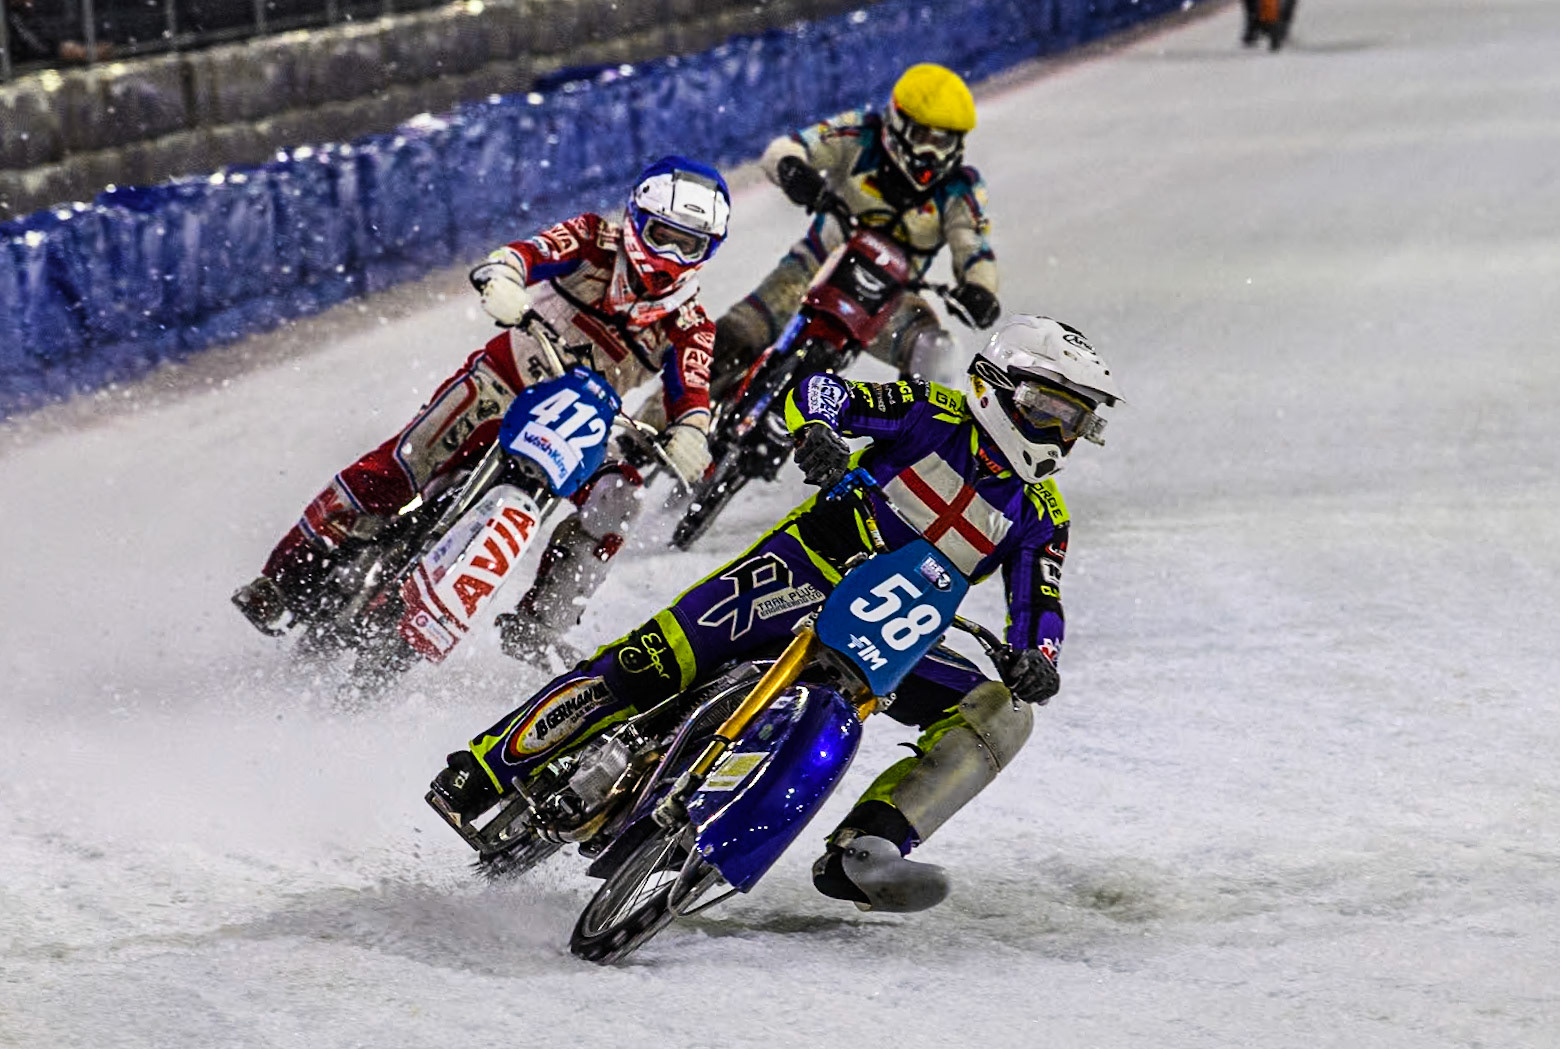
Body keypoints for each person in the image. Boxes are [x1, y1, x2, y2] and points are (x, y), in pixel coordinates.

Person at [431, 315, 1123, 911]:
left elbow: (1041, 600)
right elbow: (822, 390)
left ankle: (871, 848)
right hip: (800, 568)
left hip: (894, 631)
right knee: (654, 660)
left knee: (1002, 714)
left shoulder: (1042, 513)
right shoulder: (930, 411)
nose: (1059, 433)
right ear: (997, 386)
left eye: (1076, 421)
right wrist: (817, 427)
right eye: (1050, 408)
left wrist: (1039, 658)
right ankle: (486, 766)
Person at [233, 156, 731, 659]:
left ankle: (540, 624)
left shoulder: (691, 325)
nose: (671, 255)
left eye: (688, 244)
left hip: (579, 428)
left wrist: (692, 431)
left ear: (708, 251)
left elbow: (693, 391)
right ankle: (285, 576)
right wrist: (505, 278)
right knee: (404, 464)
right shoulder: (591, 238)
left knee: (620, 495)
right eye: (662, 235)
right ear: (637, 219)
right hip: (502, 383)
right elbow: (526, 253)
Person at [706, 62, 1001, 401]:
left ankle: (914, 432)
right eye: (922, 137)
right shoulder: (858, 133)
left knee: (936, 353)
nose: (930, 154)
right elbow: (784, 149)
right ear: (898, 121)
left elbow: (973, 245)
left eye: (943, 142)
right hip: (813, 268)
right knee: (734, 337)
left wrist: (980, 289)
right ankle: (665, 419)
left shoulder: (960, 189)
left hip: (889, 301)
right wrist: (793, 170)